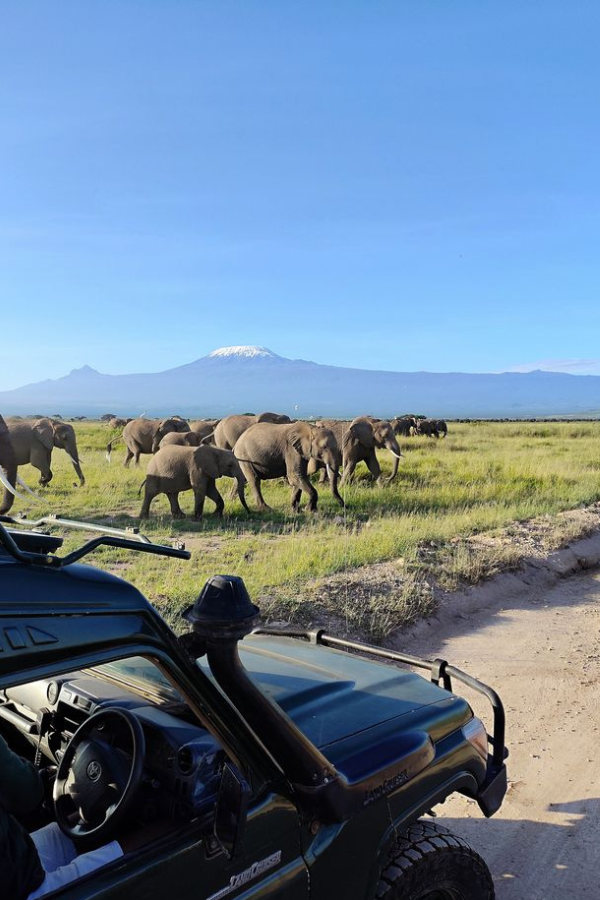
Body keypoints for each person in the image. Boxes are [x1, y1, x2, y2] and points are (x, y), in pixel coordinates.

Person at [0, 734, 123, 900]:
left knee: (66, 831)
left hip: (13, 853)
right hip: (21, 890)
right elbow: (27, 793)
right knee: (124, 856)